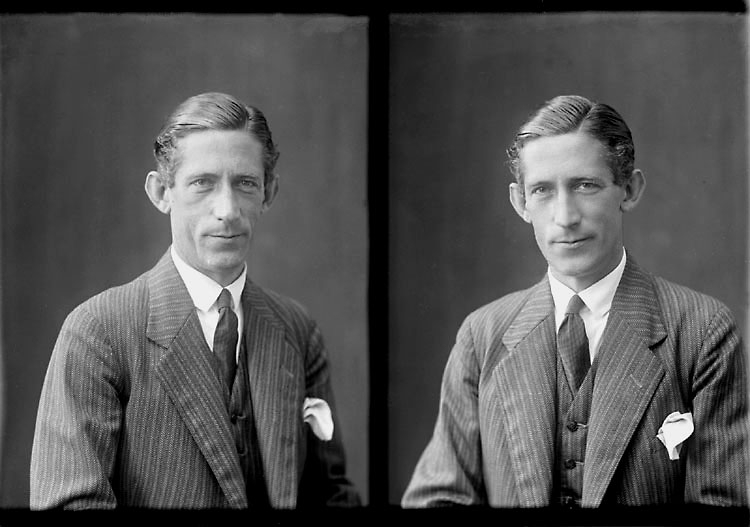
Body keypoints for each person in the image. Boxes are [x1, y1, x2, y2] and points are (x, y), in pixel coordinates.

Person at [402, 95, 748, 507]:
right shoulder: (483, 335)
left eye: (586, 186)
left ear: (629, 190)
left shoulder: (701, 331)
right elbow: (439, 499)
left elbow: (722, 511)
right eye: (542, 191)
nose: (565, 217)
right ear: (520, 202)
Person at [30, 92, 360, 509]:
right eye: (202, 183)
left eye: (245, 183)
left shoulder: (297, 330)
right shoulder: (99, 332)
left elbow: (332, 497)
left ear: (269, 192)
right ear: (161, 192)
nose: (227, 210)